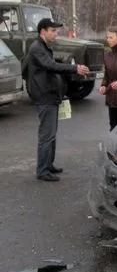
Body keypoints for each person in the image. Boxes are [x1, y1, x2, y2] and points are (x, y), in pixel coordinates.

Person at [26, 18, 89, 181]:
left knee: (52, 134)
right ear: (43, 32)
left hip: (51, 95)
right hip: (44, 96)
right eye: (53, 31)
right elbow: (51, 66)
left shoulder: (44, 47)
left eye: (56, 31)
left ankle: (49, 165)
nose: (56, 34)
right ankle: (42, 171)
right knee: (46, 135)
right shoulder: (37, 48)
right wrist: (75, 68)